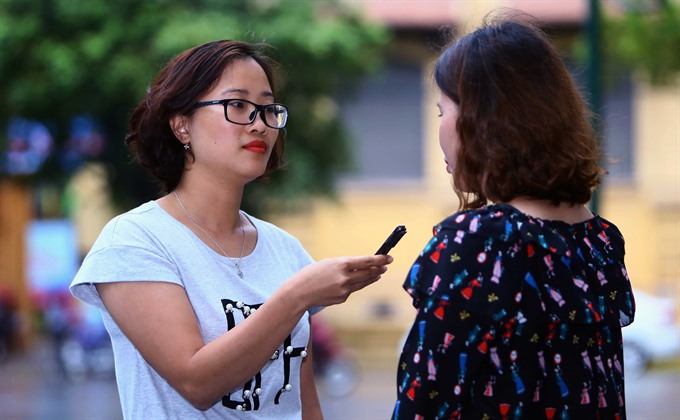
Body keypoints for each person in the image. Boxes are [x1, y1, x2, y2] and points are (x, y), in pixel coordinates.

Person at [69, 40, 393, 419]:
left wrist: (299, 294)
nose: (259, 123)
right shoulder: (134, 241)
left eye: (268, 108)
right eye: (237, 105)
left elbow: (304, 404)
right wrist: (296, 296)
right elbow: (197, 383)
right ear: (181, 125)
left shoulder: (284, 249)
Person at [392, 11, 635, 420]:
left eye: (442, 112)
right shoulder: (600, 240)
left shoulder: (479, 241)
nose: (441, 128)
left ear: (479, 119)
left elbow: (425, 402)